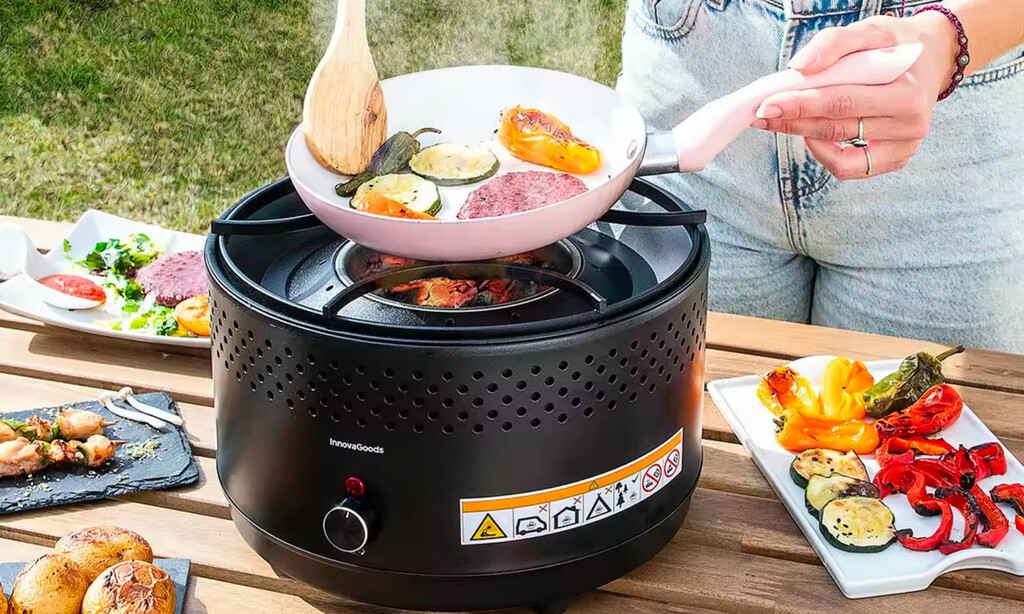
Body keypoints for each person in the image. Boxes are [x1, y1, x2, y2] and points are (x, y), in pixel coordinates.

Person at [617, 0, 1024, 353]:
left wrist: (950, 38)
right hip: (692, 87)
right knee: (670, 428)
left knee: (930, 431)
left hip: (941, 136)